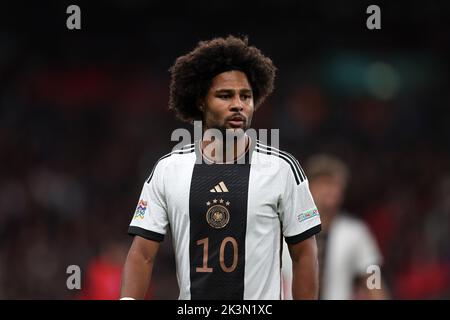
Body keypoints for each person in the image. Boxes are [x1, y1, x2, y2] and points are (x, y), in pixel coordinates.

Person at [120, 36, 321, 300]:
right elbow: (143, 253)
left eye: (245, 96)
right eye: (225, 95)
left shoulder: (282, 169)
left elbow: (304, 253)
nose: (238, 104)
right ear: (201, 102)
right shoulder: (168, 170)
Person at [282, 154, 389, 299]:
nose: (330, 190)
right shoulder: (285, 230)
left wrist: (375, 293)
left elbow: (371, 274)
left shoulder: (355, 232)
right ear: (309, 186)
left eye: (335, 185)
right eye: (324, 183)